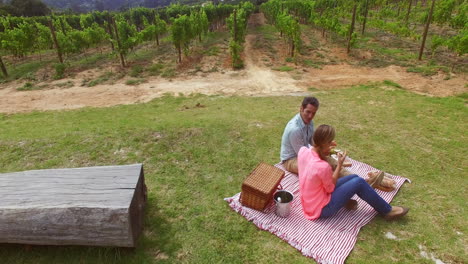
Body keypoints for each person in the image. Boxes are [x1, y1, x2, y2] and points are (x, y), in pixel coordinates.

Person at [297, 124, 409, 220]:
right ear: (324, 144)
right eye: (331, 142)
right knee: (358, 182)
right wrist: (339, 165)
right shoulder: (322, 166)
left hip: (308, 201)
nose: (333, 145)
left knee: (355, 177)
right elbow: (330, 188)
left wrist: (326, 152)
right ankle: (387, 211)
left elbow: (316, 172)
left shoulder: (303, 151)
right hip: (320, 209)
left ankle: (365, 188)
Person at [280, 97, 319, 174]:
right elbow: (303, 155)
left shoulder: (310, 122)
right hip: (290, 160)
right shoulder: (295, 129)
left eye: (313, 113)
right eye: (308, 112)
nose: (310, 116)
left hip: (303, 153)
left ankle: (348, 177)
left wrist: (323, 147)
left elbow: (312, 141)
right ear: (301, 109)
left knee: (327, 160)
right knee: (316, 169)